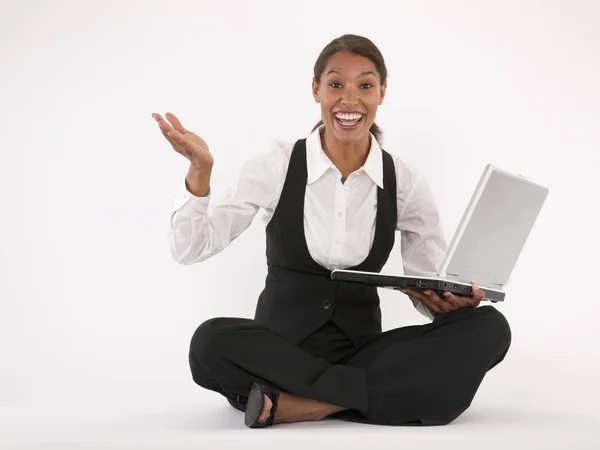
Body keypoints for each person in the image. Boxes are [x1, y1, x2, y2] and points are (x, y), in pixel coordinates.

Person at [153, 34, 511, 429]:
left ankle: (301, 404)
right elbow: (190, 248)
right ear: (316, 89)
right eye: (336, 84)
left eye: (366, 86)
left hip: (363, 353)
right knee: (209, 343)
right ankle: (370, 397)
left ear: (382, 93)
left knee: (490, 328)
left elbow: (429, 287)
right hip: (278, 351)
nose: (350, 100)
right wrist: (199, 173)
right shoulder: (277, 164)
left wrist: (446, 305)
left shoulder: (404, 181)